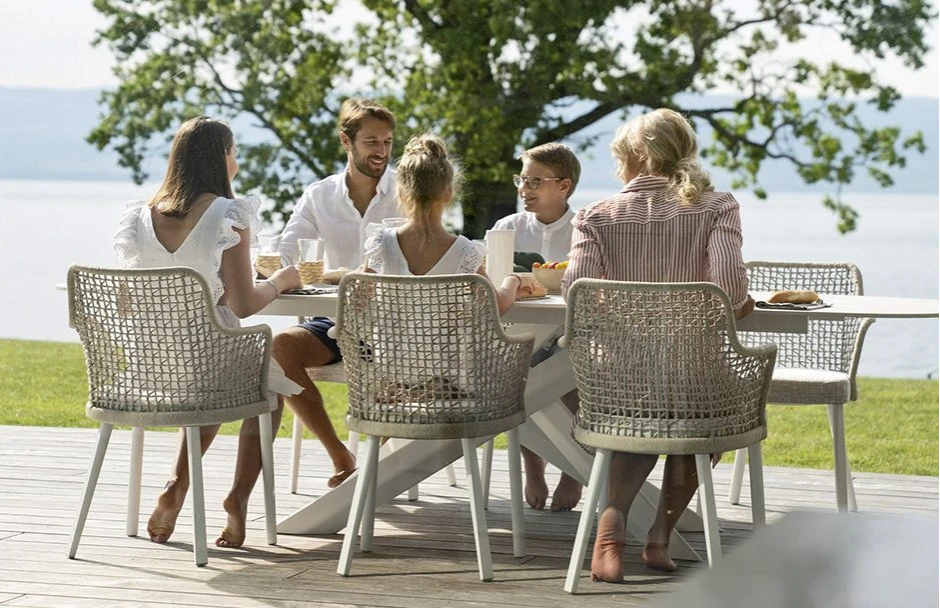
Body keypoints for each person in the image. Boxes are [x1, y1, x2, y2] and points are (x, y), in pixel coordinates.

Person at [560, 108, 756, 581]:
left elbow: (575, 292)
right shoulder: (716, 206)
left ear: (637, 157)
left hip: (616, 381)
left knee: (646, 411)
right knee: (698, 415)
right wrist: (739, 304)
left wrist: (621, 316)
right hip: (695, 375)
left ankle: (612, 520)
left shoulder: (594, 215)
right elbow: (728, 288)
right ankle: (658, 537)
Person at [113, 116, 303, 548]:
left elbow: (128, 300)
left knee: (220, 372)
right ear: (221, 159)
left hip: (149, 369)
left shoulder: (139, 216)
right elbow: (244, 304)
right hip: (206, 363)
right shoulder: (228, 214)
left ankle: (176, 488)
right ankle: (237, 498)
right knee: (267, 386)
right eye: (234, 152)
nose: (236, 161)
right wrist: (281, 282)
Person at [270, 98, 401, 491]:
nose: (381, 151)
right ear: (347, 141)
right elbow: (286, 251)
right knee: (279, 352)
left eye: (388, 142)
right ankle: (340, 455)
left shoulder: (407, 191)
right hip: (334, 320)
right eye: (372, 142)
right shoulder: (319, 196)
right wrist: (294, 270)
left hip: (398, 325)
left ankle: (385, 469)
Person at [492, 142, 585, 512]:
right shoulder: (506, 229)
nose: (523, 189)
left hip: (571, 335)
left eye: (535, 181)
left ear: (564, 186)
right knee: (521, 373)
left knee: (573, 376)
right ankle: (534, 467)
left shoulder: (585, 229)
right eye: (522, 179)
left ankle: (575, 470)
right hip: (522, 332)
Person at [363, 133, 540, 304]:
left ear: (401, 193)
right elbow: (496, 305)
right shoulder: (464, 251)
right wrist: (513, 280)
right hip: (447, 336)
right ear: (449, 192)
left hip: (390, 336)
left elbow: (359, 299)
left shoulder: (380, 243)